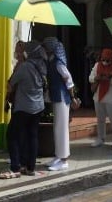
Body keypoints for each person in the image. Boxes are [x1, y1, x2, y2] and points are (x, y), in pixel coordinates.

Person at [0, 41, 47, 179]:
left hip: (24, 107)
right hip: (38, 106)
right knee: (32, 136)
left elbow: (10, 84)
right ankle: (30, 167)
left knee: (12, 135)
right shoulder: (41, 65)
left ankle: (15, 168)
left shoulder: (25, 67)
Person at [43, 36, 76, 172]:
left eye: (45, 47)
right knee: (57, 128)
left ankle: (64, 160)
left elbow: (68, 81)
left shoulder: (58, 63)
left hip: (62, 98)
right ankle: (58, 156)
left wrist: (73, 97)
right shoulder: (51, 61)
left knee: (62, 129)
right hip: (56, 97)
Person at [88, 48, 112, 150]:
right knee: (100, 119)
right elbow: (90, 78)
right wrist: (97, 78)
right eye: (103, 59)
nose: (105, 62)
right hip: (98, 96)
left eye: (107, 60)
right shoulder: (97, 65)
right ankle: (100, 138)